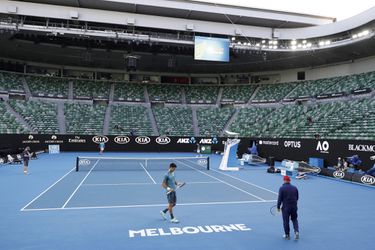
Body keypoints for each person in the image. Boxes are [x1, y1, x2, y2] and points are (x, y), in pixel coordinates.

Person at [277, 175, 299, 240]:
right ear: (289, 181)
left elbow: (279, 199)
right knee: (294, 219)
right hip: (294, 207)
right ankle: (296, 232)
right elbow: (297, 197)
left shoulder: (281, 188)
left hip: (286, 208)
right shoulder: (295, 188)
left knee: (286, 221)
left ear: (284, 180)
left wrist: (278, 207)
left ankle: (287, 235)